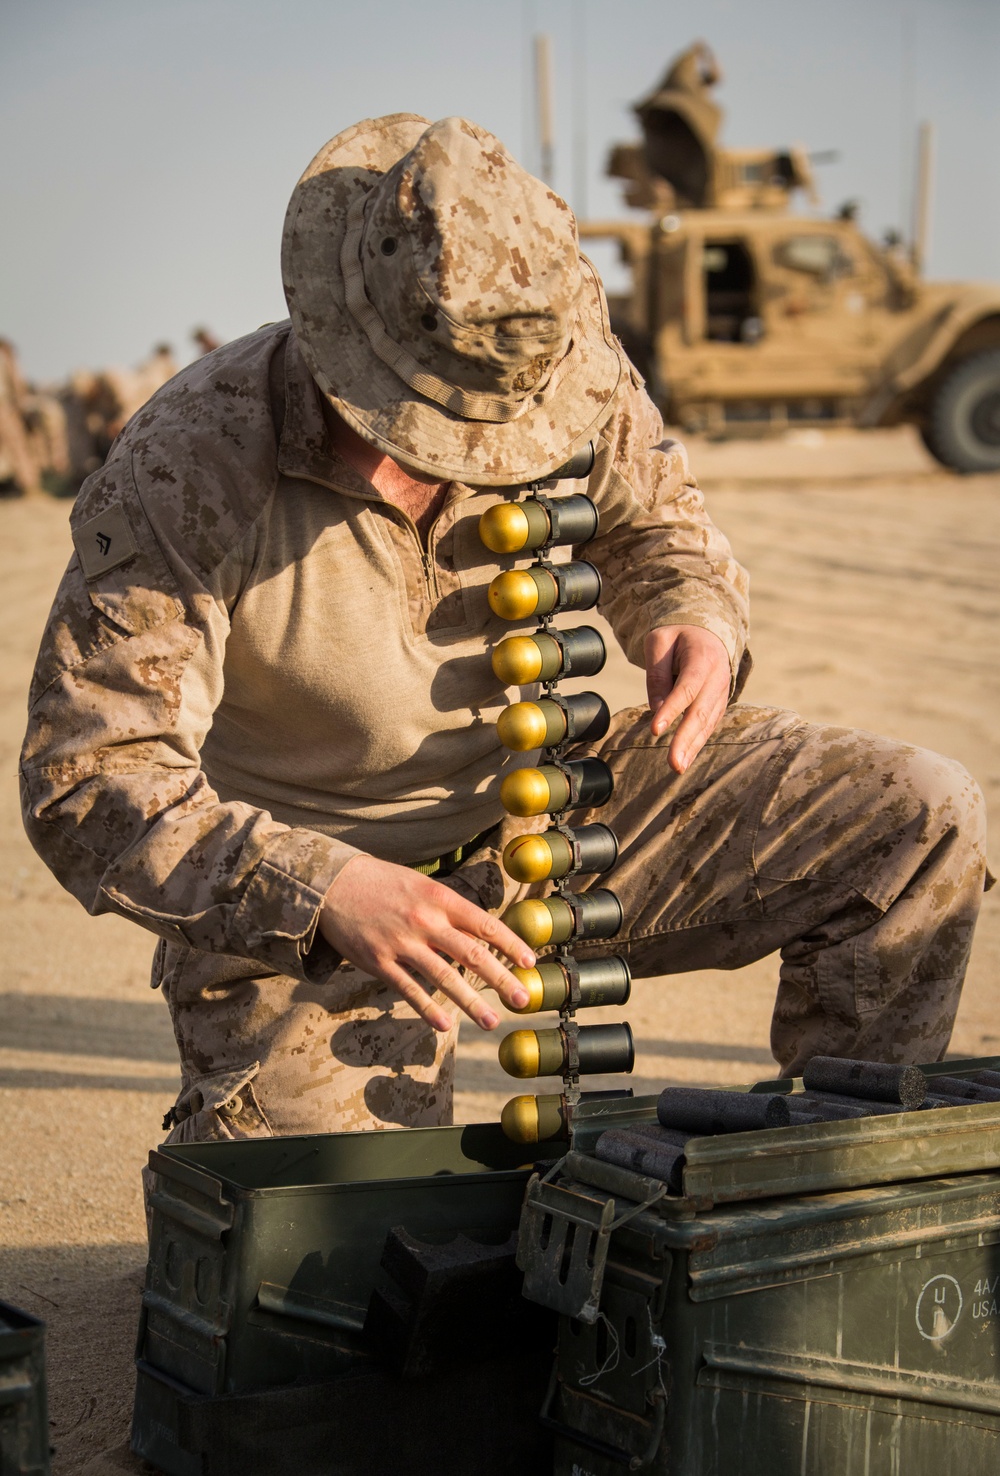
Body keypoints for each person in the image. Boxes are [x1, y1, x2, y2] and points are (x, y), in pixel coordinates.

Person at [20, 115, 988, 1144]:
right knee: (323, 1248)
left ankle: (837, 1196)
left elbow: (661, 527)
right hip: (313, 900)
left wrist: (690, 616)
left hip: (564, 811)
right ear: (343, 343)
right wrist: (324, 887)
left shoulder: (546, 355)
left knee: (919, 816)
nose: (481, 448)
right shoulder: (195, 463)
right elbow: (92, 777)